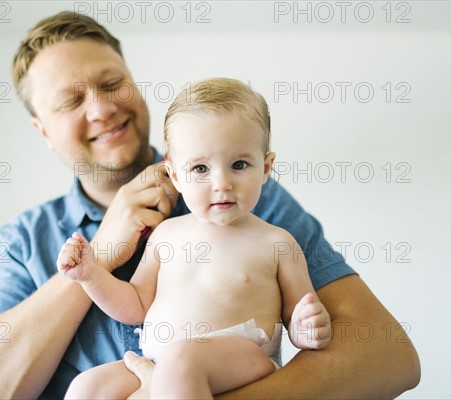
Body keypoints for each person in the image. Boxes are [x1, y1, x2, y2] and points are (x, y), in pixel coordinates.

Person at [0, 11, 420, 400]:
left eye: (110, 82)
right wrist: (98, 255)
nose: (100, 108)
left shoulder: (245, 199)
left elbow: (387, 355)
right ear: (43, 131)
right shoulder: (26, 241)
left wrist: (180, 392)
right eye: (70, 101)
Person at [57, 77, 332, 399]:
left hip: (242, 358)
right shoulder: (165, 235)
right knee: (87, 388)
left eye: (239, 165)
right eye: (200, 169)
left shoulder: (277, 243)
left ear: (266, 167)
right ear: (174, 175)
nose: (221, 183)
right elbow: (137, 305)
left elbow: (298, 316)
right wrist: (91, 276)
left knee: (182, 359)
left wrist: (308, 327)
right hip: (158, 361)